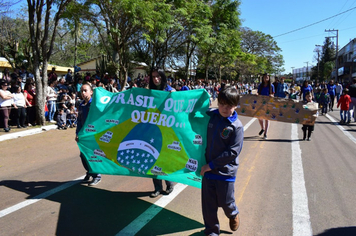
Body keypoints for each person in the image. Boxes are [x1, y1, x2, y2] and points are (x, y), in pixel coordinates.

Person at [200, 86, 243, 235]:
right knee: (208, 205)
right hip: (208, 171)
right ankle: (212, 231)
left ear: (236, 105)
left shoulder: (236, 127)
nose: (224, 108)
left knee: (226, 202)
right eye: (221, 104)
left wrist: (211, 165)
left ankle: (233, 213)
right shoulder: (212, 116)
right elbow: (195, 113)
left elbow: (232, 152)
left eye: (229, 105)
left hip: (225, 172)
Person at [148, 67, 174, 197]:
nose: (156, 79)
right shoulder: (149, 92)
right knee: (152, 158)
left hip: (166, 131)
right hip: (152, 131)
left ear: (163, 77)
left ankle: (169, 184)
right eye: (153, 77)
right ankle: (157, 187)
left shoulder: (171, 91)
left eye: (158, 76)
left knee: (163, 159)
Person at [75, 83, 102, 186]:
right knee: (83, 155)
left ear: (91, 92)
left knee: (92, 155)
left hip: (93, 135)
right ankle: (90, 172)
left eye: (85, 90)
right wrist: (77, 133)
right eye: (81, 91)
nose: (83, 93)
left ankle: (97, 175)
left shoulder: (95, 104)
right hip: (83, 135)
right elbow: (79, 120)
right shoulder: (81, 105)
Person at [257, 73, 274, 139]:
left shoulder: (271, 86)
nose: (266, 78)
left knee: (267, 119)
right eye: (265, 77)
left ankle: (265, 133)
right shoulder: (260, 86)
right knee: (259, 117)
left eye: (267, 77)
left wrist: (271, 96)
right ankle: (262, 128)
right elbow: (258, 93)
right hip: (261, 103)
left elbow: (273, 95)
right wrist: (257, 94)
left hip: (268, 104)